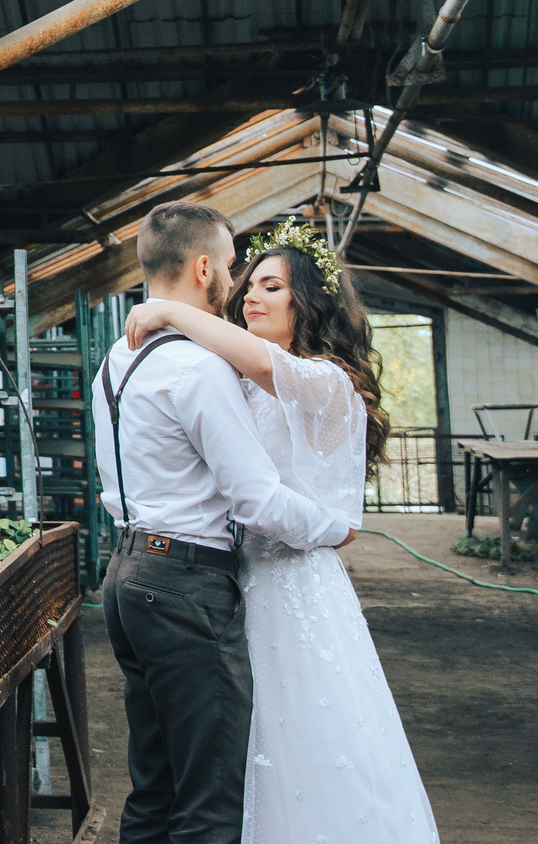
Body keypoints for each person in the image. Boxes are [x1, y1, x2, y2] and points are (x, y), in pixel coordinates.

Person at [123, 216, 440, 844]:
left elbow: (255, 362)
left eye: (270, 286)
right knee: (235, 751)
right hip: (236, 579)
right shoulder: (240, 377)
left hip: (296, 583)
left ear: (310, 303)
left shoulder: (325, 382)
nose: (250, 296)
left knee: (305, 735)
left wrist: (171, 312)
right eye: (249, 285)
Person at [92, 202, 358, 844]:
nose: (238, 284)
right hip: (185, 585)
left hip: (126, 574)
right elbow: (258, 501)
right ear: (205, 267)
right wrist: (335, 527)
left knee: (155, 788)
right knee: (210, 802)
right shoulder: (200, 366)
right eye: (236, 267)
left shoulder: (114, 362)